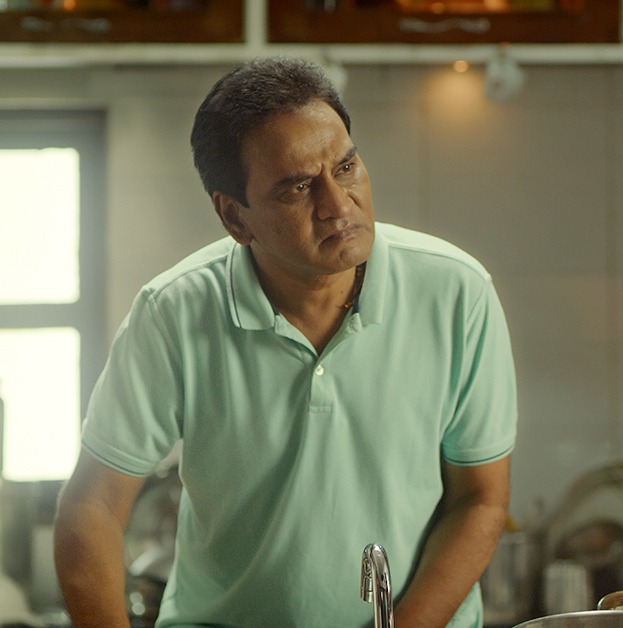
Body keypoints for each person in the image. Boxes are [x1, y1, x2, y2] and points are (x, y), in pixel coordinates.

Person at [53, 57, 518, 627]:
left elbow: (480, 499)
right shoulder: (173, 312)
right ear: (235, 217)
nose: (338, 205)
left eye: (346, 167)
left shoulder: (456, 292)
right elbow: (92, 507)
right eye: (298, 187)